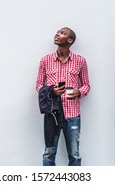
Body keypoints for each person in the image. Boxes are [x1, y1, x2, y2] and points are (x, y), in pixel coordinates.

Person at [36, 27, 90, 166]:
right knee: (49, 153)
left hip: (72, 114)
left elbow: (86, 85)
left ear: (70, 40)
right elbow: (38, 85)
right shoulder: (45, 60)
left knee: (74, 154)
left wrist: (79, 92)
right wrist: (51, 91)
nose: (57, 34)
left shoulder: (80, 61)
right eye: (57, 32)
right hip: (52, 114)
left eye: (62, 33)